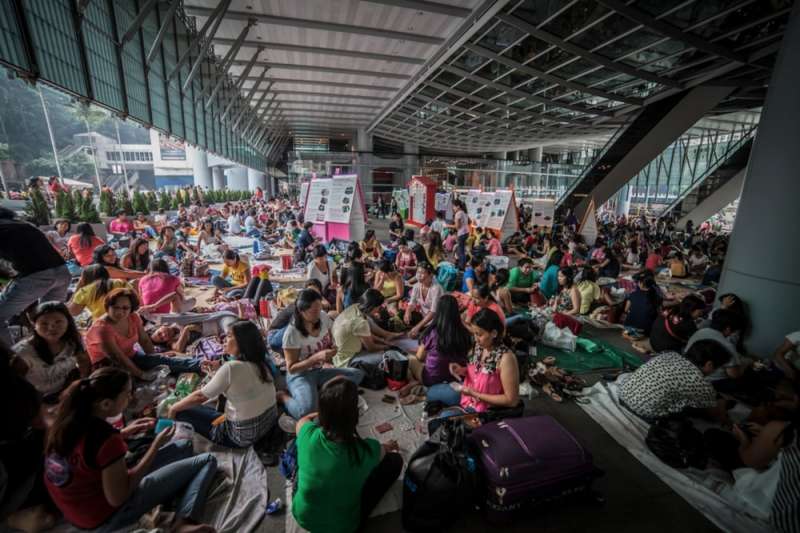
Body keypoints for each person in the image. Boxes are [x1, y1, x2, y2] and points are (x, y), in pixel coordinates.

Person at [44, 367, 218, 532]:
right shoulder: (105, 438)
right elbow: (118, 497)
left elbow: (87, 453)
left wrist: (123, 433)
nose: (131, 398)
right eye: (127, 394)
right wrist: (155, 447)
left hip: (78, 510)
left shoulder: (64, 424)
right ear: (106, 404)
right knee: (207, 460)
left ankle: (171, 491)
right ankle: (182, 523)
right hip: (106, 517)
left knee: (183, 446)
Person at [292, 376, 403, 533]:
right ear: (354, 416)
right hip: (344, 527)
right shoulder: (367, 450)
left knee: (302, 461)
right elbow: (383, 451)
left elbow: (303, 420)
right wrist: (389, 446)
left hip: (304, 517)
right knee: (395, 461)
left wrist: (326, 410)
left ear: (322, 412)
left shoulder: (306, 433)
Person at [169, 320, 278, 448]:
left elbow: (200, 397)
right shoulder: (261, 362)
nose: (224, 339)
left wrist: (173, 409)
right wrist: (218, 365)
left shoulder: (231, 368)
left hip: (240, 437)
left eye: (229, 336)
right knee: (206, 406)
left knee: (182, 408)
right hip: (268, 423)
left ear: (242, 342)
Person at [282, 290, 364, 419]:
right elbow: (291, 368)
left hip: (319, 370)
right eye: (314, 311)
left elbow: (332, 339)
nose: (318, 314)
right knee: (308, 413)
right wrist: (316, 358)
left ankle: (316, 390)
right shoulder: (292, 333)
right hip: (301, 374)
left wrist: (333, 348)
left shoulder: (322, 316)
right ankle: (283, 396)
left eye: (319, 309)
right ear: (301, 311)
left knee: (356, 375)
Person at [84, 288, 200, 378]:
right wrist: (141, 374)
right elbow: (118, 358)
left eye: (125, 308)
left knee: (167, 363)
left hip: (131, 356)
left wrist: (155, 358)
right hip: (108, 365)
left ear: (131, 309)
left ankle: (204, 364)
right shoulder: (102, 328)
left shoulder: (133, 317)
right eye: (115, 307)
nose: (120, 312)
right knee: (127, 382)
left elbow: (144, 341)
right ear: (107, 307)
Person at [0, 207, 71, 346]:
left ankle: (10, 360)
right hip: (62, 272)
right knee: (51, 318)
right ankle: (58, 351)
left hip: (36, 277)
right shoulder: (23, 224)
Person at [618, 341, 730, 422]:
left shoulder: (670, 354)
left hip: (623, 394)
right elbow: (714, 413)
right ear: (709, 364)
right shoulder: (701, 383)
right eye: (718, 367)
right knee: (693, 408)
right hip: (643, 412)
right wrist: (723, 412)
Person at [12, 302, 91, 398]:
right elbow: (15, 386)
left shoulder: (73, 341)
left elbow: (84, 362)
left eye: (58, 322)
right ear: (34, 325)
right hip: (34, 400)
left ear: (68, 322)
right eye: (44, 323)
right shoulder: (23, 352)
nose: (51, 327)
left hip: (65, 393)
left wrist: (77, 386)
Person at [451, 309, 520, 413]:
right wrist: (462, 370)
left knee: (446, 417)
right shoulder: (479, 347)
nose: (476, 339)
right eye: (474, 334)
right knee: (433, 394)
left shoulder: (506, 358)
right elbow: (478, 374)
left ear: (494, 333)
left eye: (479, 334)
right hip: (467, 401)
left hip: (486, 412)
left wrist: (475, 394)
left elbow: (512, 400)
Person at [408, 294, 472, 406]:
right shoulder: (465, 332)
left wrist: (424, 353)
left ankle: (413, 382)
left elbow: (419, 357)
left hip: (432, 378)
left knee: (410, 359)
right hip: (458, 375)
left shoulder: (433, 332)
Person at [332, 289, 392, 368]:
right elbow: (371, 348)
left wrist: (382, 341)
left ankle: (388, 336)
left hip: (338, 356)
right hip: (347, 361)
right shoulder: (361, 322)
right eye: (379, 308)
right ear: (372, 307)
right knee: (389, 356)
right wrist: (387, 347)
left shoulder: (355, 306)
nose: (379, 310)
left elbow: (364, 334)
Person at [266, 280, 328, 354]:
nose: (311, 296)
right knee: (301, 325)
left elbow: (326, 306)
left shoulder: (317, 307)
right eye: (309, 292)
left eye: (315, 294)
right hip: (274, 336)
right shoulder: (299, 307)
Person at [684, 309, 746, 381]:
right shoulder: (728, 346)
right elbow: (734, 375)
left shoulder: (701, 331)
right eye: (735, 332)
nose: (735, 335)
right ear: (728, 329)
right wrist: (746, 363)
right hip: (712, 381)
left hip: (690, 369)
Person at [404, 262, 444, 338]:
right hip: (424, 317)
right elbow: (412, 302)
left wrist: (418, 327)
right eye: (418, 272)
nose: (419, 275)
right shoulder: (417, 286)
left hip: (437, 319)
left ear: (431, 275)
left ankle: (421, 331)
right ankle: (419, 329)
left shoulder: (436, 288)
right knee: (402, 315)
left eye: (422, 273)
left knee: (427, 336)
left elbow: (433, 312)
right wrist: (407, 311)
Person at [622, 273, 661, 338]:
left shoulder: (633, 294)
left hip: (628, 327)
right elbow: (659, 312)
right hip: (645, 330)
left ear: (641, 284)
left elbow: (626, 309)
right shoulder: (655, 297)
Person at [450, 200, 470, 269]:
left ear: (458, 206)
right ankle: (460, 263)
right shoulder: (464, 212)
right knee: (460, 250)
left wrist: (447, 225)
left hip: (461, 234)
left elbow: (457, 226)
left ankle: (461, 266)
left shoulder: (458, 214)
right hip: (466, 233)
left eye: (454, 206)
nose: (453, 208)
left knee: (461, 251)